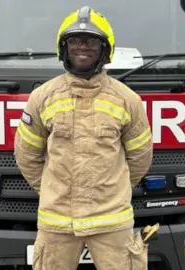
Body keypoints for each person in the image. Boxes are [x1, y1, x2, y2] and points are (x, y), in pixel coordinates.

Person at [14, 6, 154, 270]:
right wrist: (52, 191)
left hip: (111, 221)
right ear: (63, 48)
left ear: (105, 50)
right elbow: (27, 155)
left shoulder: (128, 100)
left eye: (91, 41)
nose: (83, 47)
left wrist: (113, 190)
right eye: (75, 40)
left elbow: (140, 158)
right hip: (57, 222)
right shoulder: (43, 97)